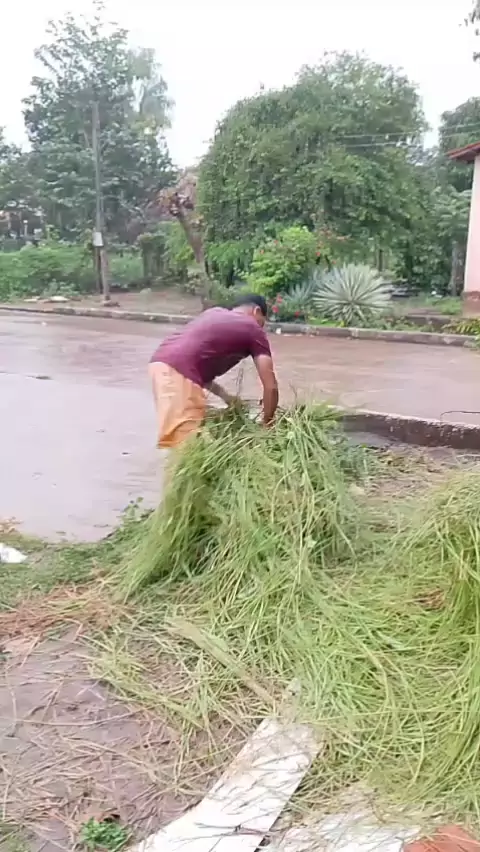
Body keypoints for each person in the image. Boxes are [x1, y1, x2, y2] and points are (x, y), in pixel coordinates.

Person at [148, 294, 279, 449]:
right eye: (262, 322)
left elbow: (196, 365)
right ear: (257, 311)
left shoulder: (213, 313)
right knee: (188, 445)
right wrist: (267, 425)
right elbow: (270, 387)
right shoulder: (252, 327)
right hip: (179, 374)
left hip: (160, 365)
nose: (261, 327)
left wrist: (226, 397)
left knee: (186, 433)